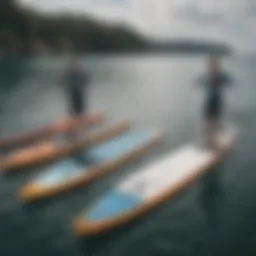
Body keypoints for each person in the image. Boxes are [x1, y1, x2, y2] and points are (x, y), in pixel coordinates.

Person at [200, 55, 232, 150]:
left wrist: (228, 82)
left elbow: (230, 80)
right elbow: (201, 81)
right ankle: (207, 141)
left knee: (214, 123)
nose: (212, 67)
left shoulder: (222, 76)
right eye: (210, 65)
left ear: (217, 66)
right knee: (205, 123)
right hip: (208, 102)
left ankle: (214, 144)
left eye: (214, 65)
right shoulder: (208, 76)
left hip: (217, 103)